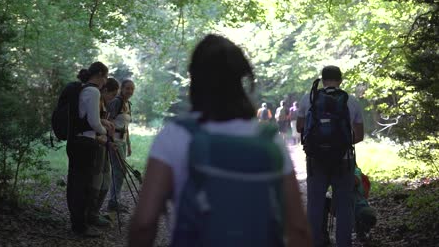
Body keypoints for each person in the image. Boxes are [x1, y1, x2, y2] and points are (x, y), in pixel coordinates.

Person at [129, 34, 311, 247]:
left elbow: (144, 223)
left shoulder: (175, 137)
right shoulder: (270, 142)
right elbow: (298, 229)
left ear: (193, 77)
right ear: (240, 78)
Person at [297, 65, 364, 247]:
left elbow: (299, 129)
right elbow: (359, 136)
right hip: (344, 160)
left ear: (322, 79)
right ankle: (343, 243)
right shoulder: (351, 100)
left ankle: (316, 242)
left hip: (315, 160)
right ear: (341, 80)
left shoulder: (308, 98)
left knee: (315, 205)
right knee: (344, 206)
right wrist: (340, 145)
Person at [66, 62, 115, 237]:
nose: (106, 81)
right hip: (85, 145)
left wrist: (104, 123)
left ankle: (77, 223)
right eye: (106, 77)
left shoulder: (84, 89)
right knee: (82, 186)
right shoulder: (93, 91)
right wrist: (105, 132)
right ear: (100, 74)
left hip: (75, 142)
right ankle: (80, 227)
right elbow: (93, 122)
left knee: (75, 183)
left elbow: (86, 118)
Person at [85, 77, 120, 228]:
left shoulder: (103, 102)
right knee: (97, 179)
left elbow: (101, 123)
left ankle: (96, 212)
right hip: (97, 146)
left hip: (105, 145)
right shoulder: (96, 100)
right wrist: (104, 139)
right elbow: (91, 126)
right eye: (112, 95)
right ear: (105, 90)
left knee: (106, 177)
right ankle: (90, 214)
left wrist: (109, 139)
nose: (113, 98)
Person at [107, 78, 135, 212]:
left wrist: (128, 145)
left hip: (123, 141)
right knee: (119, 171)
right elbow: (109, 122)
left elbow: (126, 127)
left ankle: (114, 200)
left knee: (121, 171)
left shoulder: (128, 104)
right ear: (121, 89)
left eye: (132, 89)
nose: (130, 91)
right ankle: (113, 201)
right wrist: (111, 141)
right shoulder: (116, 102)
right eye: (127, 88)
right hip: (115, 141)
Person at [354, 166, 376, 241]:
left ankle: (361, 232)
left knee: (367, 214)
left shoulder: (356, 171)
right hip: (344, 206)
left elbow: (356, 180)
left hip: (358, 205)